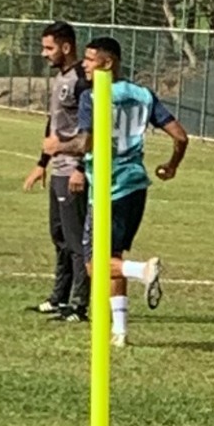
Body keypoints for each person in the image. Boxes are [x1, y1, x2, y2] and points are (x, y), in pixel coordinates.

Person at [45, 36, 188, 347]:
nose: (84, 65)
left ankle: (143, 270)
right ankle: (120, 331)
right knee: (113, 257)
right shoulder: (143, 95)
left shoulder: (93, 96)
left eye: (90, 60)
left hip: (109, 188)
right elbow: (180, 136)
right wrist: (172, 166)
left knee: (94, 264)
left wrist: (59, 146)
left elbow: (87, 143)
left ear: (108, 63)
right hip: (136, 187)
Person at [23, 21, 90, 322]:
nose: (44, 53)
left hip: (73, 171)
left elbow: (91, 129)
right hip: (58, 169)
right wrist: (42, 163)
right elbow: (54, 124)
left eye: (49, 48)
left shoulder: (81, 81)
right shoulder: (61, 77)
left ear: (66, 46)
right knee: (59, 235)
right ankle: (59, 297)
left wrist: (81, 168)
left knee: (76, 241)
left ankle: (78, 304)